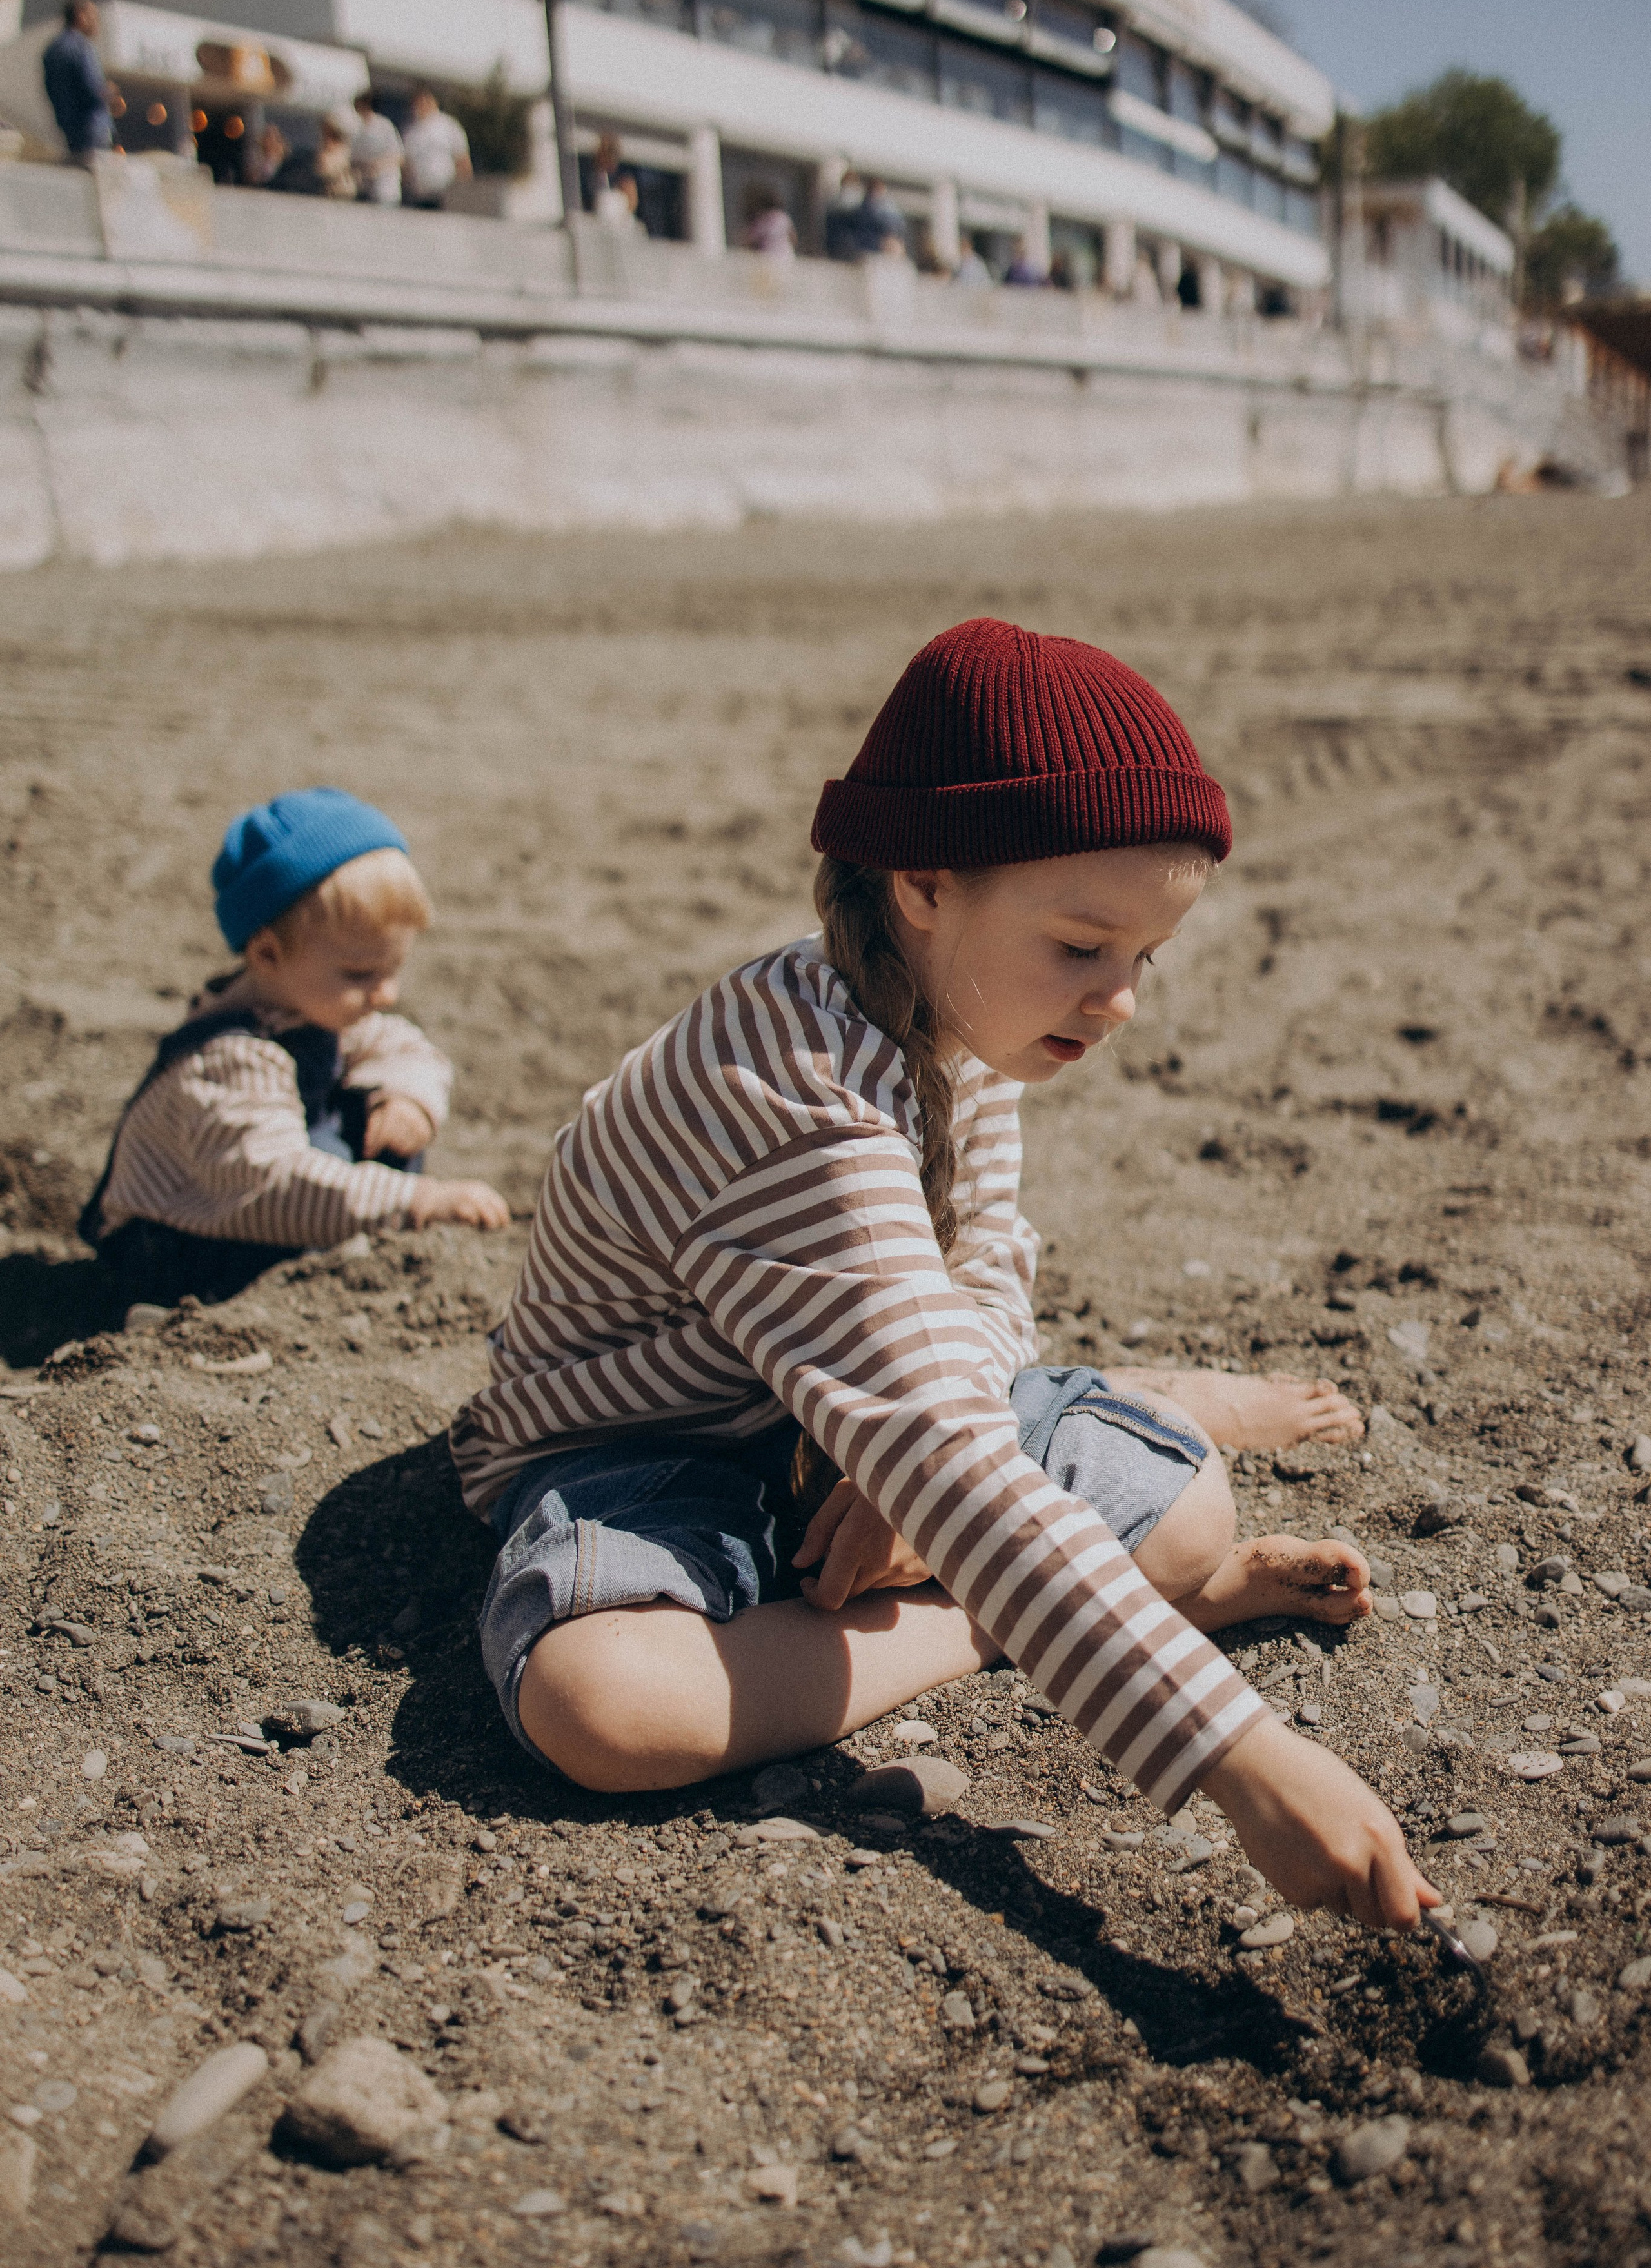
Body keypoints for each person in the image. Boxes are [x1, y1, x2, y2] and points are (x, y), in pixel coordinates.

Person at [452, 620, 1438, 1933]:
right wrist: (1242, 1758)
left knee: (1191, 1514)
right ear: (920, 884)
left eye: (1142, 959)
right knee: (601, 1706)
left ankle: (1052, 1545)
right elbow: (948, 1442)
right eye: (1082, 947)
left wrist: (893, 1472)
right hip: (650, 1446)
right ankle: (999, 1610)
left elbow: (983, 1281)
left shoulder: (959, 1024)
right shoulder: (790, 1098)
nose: (1119, 1001)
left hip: (846, 1422)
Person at [80, 787, 509, 1311]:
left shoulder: (309, 1004)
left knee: (372, 1109)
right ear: (267, 953)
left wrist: (407, 1097)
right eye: (361, 973)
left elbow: (402, 1045)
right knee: (323, 1159)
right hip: (174, 1251)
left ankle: (346, 1237)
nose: (387, 993)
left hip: (250, 1212)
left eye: (393, 969)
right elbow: (272, 1184)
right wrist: (418, 1200)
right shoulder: (225, 1063)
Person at [42, 0, 113, 164]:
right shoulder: (82, 47)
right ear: (81, 16)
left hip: (69, 129)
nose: (97, 21)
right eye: (93, 15)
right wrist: (108, 91)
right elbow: (94, 91)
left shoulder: (52, 50)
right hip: (93, 129)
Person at [401, 83, 471, 212]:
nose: (423, 104)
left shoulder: (449, 126)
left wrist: (462, 196)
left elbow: (463, 161)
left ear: (434, 101)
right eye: (419, 101)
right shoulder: (411, 131)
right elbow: (407, 167)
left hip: (445, 197)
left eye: (426, 100)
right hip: (419, 198)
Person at [349, 90, 403, 206]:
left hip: (386, 190)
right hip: (366, 191)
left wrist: (378, 166)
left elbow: (399, 157)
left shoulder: (384, 126)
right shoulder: (357, 129)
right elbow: (354, 158)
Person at [852, 176, 907, 258]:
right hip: (872, 254)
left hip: (888, 251)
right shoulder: (864, 213)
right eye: (878, 191)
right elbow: (863, 236)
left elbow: (899, 230)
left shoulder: (889, 210)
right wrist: (881, 244)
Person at [743, 188, 796, 260]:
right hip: (786, 257)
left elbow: (749, 240)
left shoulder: (763, 220)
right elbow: (794, 238)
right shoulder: (783, 217)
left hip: (769, 257)